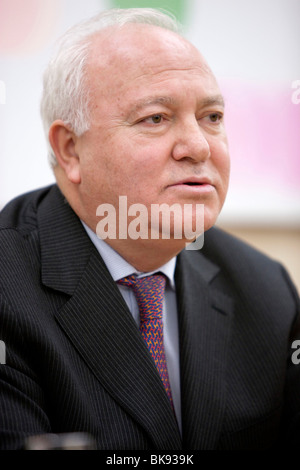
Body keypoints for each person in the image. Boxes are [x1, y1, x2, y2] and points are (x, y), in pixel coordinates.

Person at [0, 8, 299, 451]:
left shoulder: (266, 290)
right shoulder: (8, 286)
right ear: (70, 150)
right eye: (155, 118)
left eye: (212, 116)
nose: (198, 145)